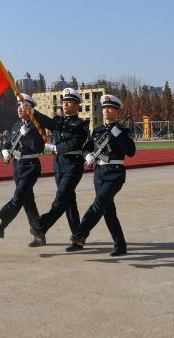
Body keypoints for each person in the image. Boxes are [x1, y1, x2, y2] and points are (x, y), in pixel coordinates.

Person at [69, 94, 136, 257]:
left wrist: (117, 134)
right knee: (107, 210)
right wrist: (88, 156)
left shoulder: (122, 131)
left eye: (110, 108)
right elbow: (87, 147)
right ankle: (120, 245)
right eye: (104, 108)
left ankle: (81, 234)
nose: (106, 110)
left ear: (117, 111)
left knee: (99, 202)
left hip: (115, 174)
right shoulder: (98, 131)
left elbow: (131, 152)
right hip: (99, 174)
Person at [29, 88, 90, 249]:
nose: (65, 104)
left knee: (60, 198)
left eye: (69, 101)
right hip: (59, 167)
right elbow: (45, 120)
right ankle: (78, 238)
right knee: (69, 202)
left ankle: (41, 226)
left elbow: (75, 143)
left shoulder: (81, 124)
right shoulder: (58, 121)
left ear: (77, 105)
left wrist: (56, 148)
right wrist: (32, 111)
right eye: (63, 101)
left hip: (73, 166)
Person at [0, 94, 46, 242]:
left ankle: (2, 226)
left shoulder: (36, 126)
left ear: (30, 108)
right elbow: (7, 144)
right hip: (18, 167)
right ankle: (39, 234)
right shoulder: (15, 127)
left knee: (18, 197)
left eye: (23, 106)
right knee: (28, 201)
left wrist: (30, 134)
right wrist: (5, 151)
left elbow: (40, 147)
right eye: (18, 106)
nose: (19, 109)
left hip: (31, 167)